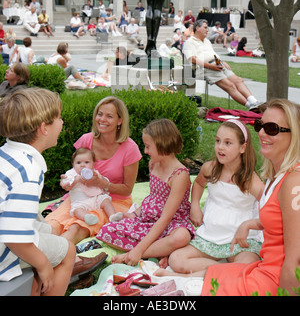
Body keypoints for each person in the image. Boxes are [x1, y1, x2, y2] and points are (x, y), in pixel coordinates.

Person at [157, 99, 300, 296]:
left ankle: (187, 278)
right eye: (260, 126)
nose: (261, 133)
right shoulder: (277, 177)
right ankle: (187, 278)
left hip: (274, 277)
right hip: (264, 267)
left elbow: (295, 259)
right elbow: (282, 220)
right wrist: (251, 224)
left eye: (272, 128)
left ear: (294, 134)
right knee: (200, 278)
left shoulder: (293, 181)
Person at [0, 88, 76, 296]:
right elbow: (14, 236)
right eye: (59, 118)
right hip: (5, 248)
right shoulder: (29, 170)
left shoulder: (7, 153)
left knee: (49, 230)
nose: (62, 122)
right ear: (44, 128)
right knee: (68, 251)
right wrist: (43, 265)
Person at [163, 120, 264, 276]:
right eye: (218, 141)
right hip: (211, 235)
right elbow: (198, 183)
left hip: (240, 240)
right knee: (176, 259)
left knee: (248, 265)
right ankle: (219, 271)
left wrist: (253, 224)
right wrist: (195, 205)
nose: (220, 147)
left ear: (242, 148)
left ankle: (198, 274)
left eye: (228, 143)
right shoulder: (210, 168)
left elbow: (270, 207)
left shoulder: (249, 180)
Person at [97, 119, 195, 266]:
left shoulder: (180, 175)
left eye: (148, 146)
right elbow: (153, 197)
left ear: (163, 144)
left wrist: (139, 250)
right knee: (106, 230)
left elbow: (166, 218)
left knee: (181, 237)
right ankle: (161, 250)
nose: (145, 151)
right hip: (148, 219)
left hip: (171, 222)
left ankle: (132, 254)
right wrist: (135, 214)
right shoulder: (153, 164)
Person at [45, 96, 142, 244]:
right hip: (81, 198)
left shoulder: (130, 148)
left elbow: (127, 190)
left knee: (77, 228)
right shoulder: (86, 140)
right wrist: (67, 181)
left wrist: (102, 183)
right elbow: (73, 171)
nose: (102, 119)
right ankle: (32, 258)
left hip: (112, 200)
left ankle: (52, 260)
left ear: (120, 120)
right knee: (52, 225)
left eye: (109, 116)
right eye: (99, 114)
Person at [183, 19, 261, 110]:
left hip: (217, 64)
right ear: (197, 28)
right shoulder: (189, 42)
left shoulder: (207, 41)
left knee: (238, 80)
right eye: (205, 28)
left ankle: (255, 102)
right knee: (230, 86)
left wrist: (222, 62)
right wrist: (211, 66)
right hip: (204, 68)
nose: (207, 30)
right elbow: (192, 59)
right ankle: (251, 107)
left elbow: (213, 54)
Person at [61, 148, 123, 226]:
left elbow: (104, 181)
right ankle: (87, 217)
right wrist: (77, 179)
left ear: (93, 164)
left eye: (87, 162)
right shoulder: (71, 173)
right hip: (80, 201)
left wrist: (99, 179)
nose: (82, 165)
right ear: (73, 164)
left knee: (105, 200)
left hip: (95, 199)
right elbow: (66, 183)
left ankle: (113, 216)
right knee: (77, 210)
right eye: (78, 163)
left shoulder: (94, 173)